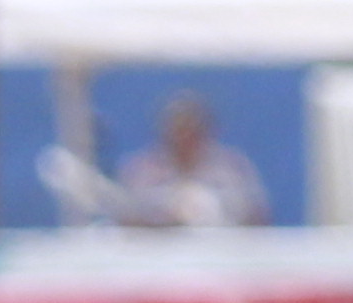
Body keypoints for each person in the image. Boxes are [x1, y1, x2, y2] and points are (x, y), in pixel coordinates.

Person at [114, 90, 268, 229]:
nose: (184, 137)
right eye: (178, 129)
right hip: (156, 256)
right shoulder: (140, 170)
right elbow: (125, 220)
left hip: (221, 253)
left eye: (191, 128)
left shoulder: (233, 168)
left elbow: (257, 217)